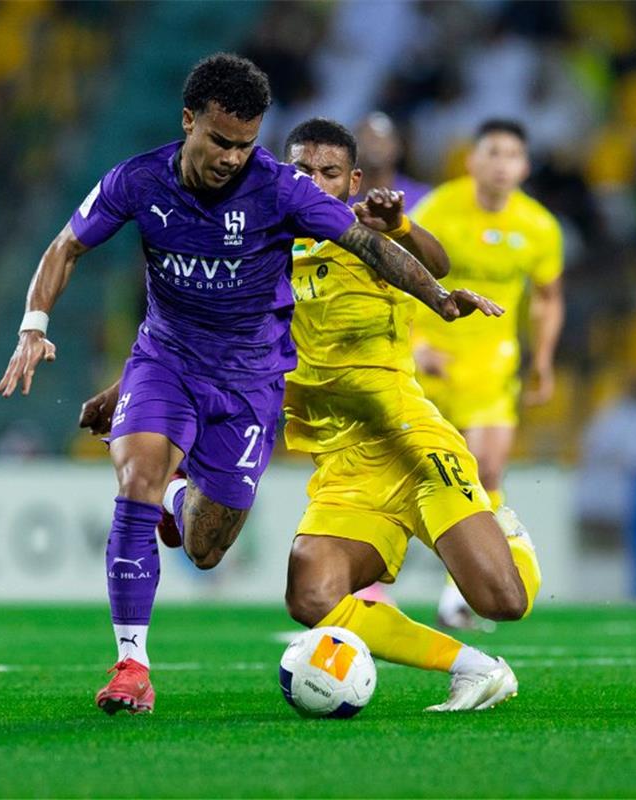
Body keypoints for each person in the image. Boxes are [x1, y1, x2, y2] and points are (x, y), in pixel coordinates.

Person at [0, 53, 500, 716]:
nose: (233, 157)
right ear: (189, 121)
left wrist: (436, 297)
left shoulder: (278, 189)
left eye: (246, 144)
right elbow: (66, 246)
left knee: (205, 547)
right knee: (136, 480)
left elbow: (365, 243)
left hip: (250, 381)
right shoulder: (137, 179)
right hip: (165, 361)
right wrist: (35, 325)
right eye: (220, 141)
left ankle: (180, 501)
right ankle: (131, 664)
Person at [82, 118, 540, 711]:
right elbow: (196, 332)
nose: (313, 182)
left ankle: (505, 526)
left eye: (328, 173)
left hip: (410, 445)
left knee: (503, 599)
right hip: (343, 466)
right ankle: (475, 667)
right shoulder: (258, 248)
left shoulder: (366, 237)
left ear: (351, 181)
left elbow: (439, 262)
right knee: (312, 594)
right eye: (300, 170)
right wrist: (125, 386)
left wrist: (400, 224)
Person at [410, 119, 564, 629]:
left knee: (487, 472)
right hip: (432, 364)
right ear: (472, 160)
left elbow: (546, 299)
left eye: (512, 155)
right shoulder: (438, 210)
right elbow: (397, 276)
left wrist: (541, 359)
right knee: (426, 476)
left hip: (492, 371)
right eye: (492, 152)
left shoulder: (539, 226)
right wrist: (417, 344)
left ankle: (460, 591)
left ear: (524, 166)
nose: (501, 164)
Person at [352, 111, 430, 212]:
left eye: (381, 139)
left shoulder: (423, 199)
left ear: (398, 147)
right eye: (366, 139)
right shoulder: (337, 201)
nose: (374, 145)